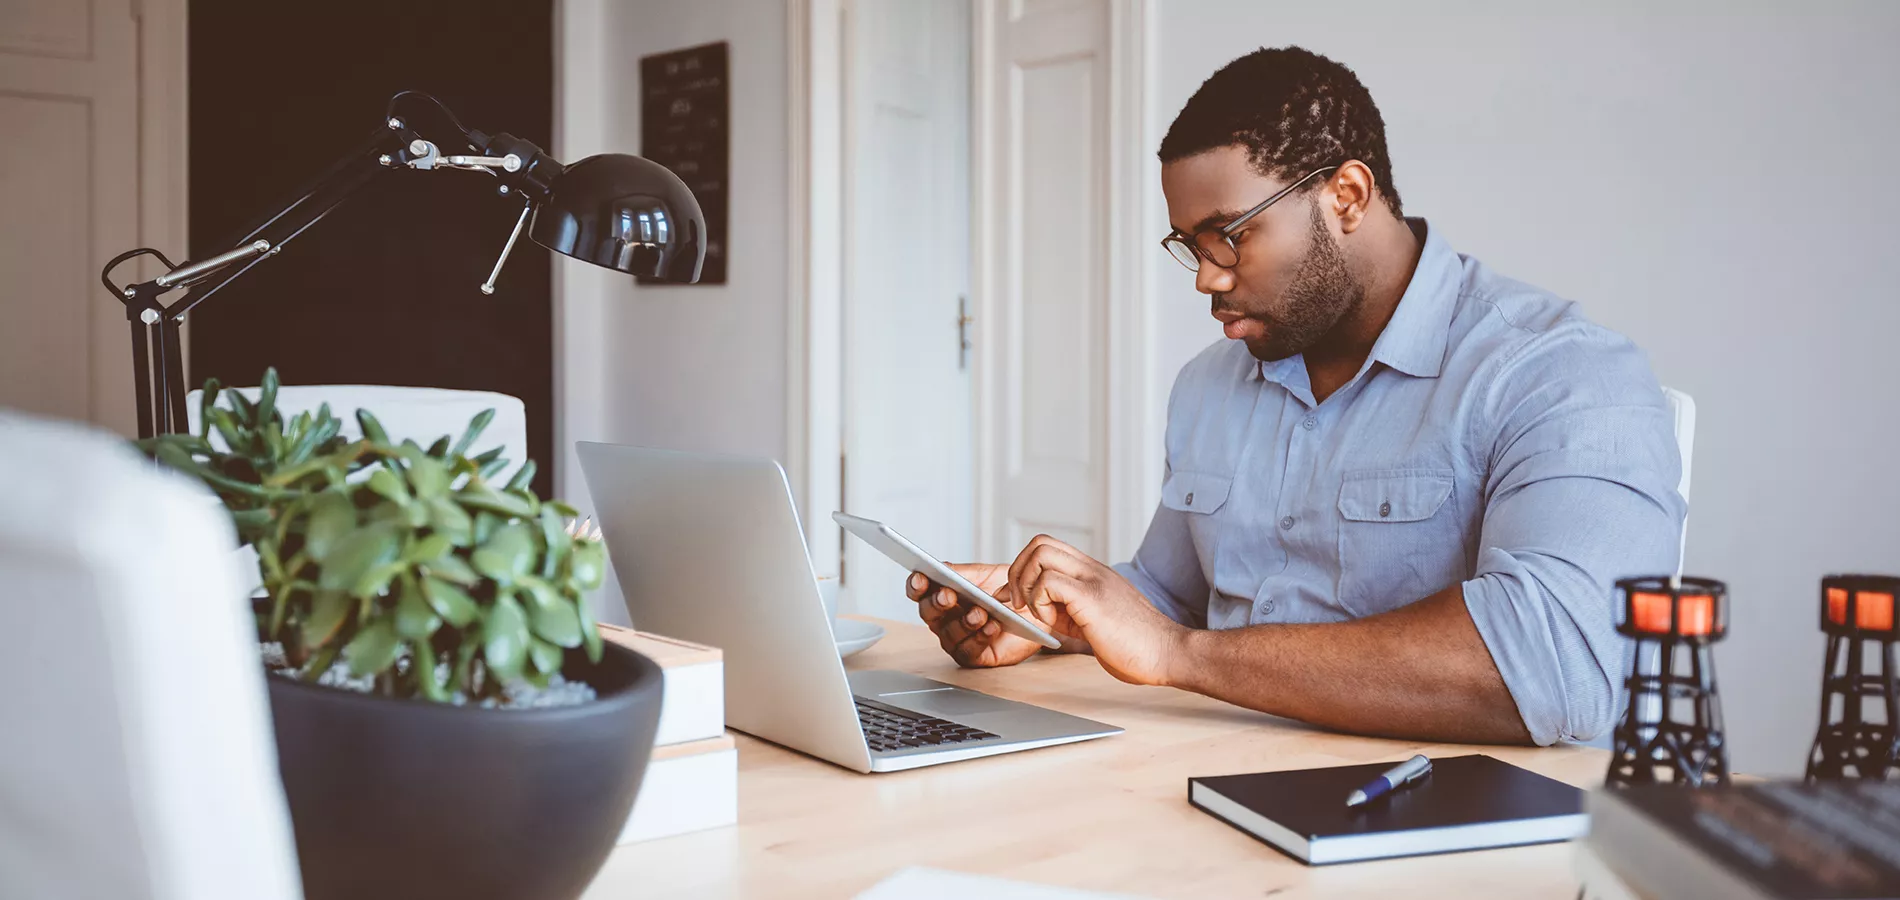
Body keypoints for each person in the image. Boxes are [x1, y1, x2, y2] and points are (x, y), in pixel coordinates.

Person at [910, 46, 1683, 746]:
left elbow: (1555, 667)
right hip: (1192, 777)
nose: (1207, 278)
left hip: (1444, 826)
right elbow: (1171, 597)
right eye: (1190, 246)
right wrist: (1047, 615)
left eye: (1230, 235)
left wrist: (1179, 655)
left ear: (1347, 194)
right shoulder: (1209, 385)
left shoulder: (1558, 374)